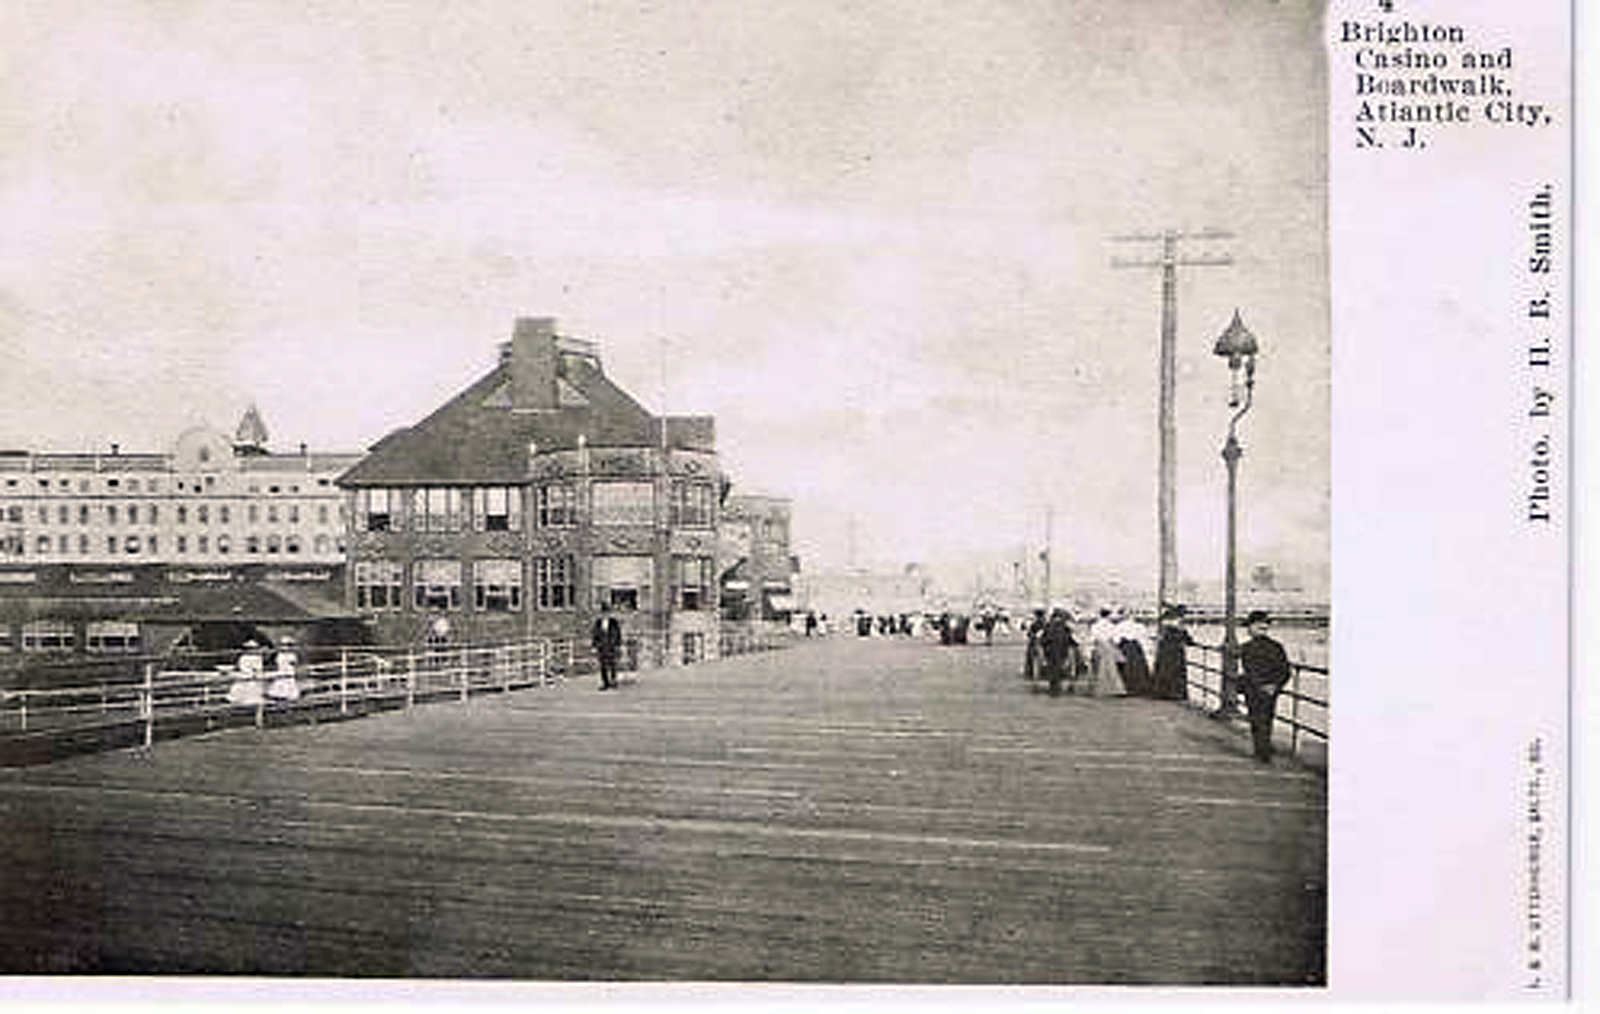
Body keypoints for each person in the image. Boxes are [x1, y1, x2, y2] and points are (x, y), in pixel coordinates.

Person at [1239, 610, 1293, 763]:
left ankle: (1260, 751)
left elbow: (1250, 671)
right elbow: (1285, 671)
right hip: (1271, 691)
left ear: (1254, 627)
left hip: (1254, 689)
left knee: (1256, 720)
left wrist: (1260, 686)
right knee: (1267, 719)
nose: (1248, 630)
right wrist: (1275, 686)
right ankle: (1265, 749)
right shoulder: (1277, 647)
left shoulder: (1247, 647)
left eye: (1249, 627)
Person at [1151, 604, 1194, 700]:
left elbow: (1161, 635)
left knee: (1163, 669)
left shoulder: (1165, 622)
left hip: (1164, 649)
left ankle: (1161, 692)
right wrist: (1190, 641)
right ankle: (1174, 693)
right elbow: (1187, 638)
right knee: (1176, 672)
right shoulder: (1179, 623)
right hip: (1175, 651)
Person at [1038, 607, 1078, 697]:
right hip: (1062, 650)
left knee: (1052, 669)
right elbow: (1071, 640)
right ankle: (1056, 687)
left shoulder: (1048, 626)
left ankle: (1053, 687)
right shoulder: (1065, 627)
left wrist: (1043, 651)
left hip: (1050, 651)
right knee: (1059, 669)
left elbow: (1042, 640)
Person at [1087, 607, 1126, 696]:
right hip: (1108, 646)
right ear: (1108, 615)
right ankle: (1113, 688)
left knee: (1099, 668)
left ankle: (1099, 689)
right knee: (1111, 668)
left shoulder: (1095, 626)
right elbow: (1116, 639)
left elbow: (1092, 638)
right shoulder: (1111, 626)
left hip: (1099, 646)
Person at [1113, 608, 1152, 697]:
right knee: (1137, 668)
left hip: (1125, 647)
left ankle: (1125, 687)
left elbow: (1116, 639)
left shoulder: (1120, 626)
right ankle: (1138, 687)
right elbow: (1144, 638)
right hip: (1135, 647)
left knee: (1125, 668)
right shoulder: (1139, 626)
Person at [592, 603, 623, 690]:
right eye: (603, 613)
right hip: (601, 647)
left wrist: (618, 645)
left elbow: (618, 634)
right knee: (603, 666)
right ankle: (605, 683)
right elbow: (595, 634)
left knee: (613, 665)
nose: (605, 614)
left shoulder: (614, 622)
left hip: (611, 647)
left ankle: (613, 681)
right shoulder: (598, 623)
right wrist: (594, 646)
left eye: (606, 612)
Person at [227, 639, 266, 707]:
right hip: (246, 675)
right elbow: (243, 667)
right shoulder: (244, 657)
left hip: (252, 677)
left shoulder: (257, 658)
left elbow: (258, 669)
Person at [266, 635, 301, 702]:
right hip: (282, 673)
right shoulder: (280, 655)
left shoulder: (292, 655)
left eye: (288, 645)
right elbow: (280, 664)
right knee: (280, 687)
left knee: (289, 688)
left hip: (289, 673)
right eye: (284, 645)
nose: (286, 647)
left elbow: (293, 664)